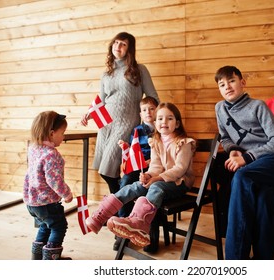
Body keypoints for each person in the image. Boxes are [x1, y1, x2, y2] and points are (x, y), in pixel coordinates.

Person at [86, 102, 196, 249]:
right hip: (161, 180)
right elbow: (156, 165)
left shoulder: (184, 143)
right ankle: (102, 215)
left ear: (177, 124)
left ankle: (140, 223)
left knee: (156, 187)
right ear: (155, 122)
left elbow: (179, 169)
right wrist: (149, 175)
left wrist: (156, 178)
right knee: (135, 186)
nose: (164, 122)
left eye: (169, 118)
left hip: (179, 183)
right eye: (160, 118)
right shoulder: (156, 142)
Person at [214, 66, 274, 260]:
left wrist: (247, 157)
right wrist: (233, 150)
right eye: (222, 84)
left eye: (232, 81)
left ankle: (235, 260)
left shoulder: (257, 106)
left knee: (242, 176)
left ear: (242, 83)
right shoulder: (220, 108)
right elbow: (224, 137)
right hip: (251, 165)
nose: (227, 87)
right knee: (264, 200)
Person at [81, 32, 159, 195]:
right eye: (116, 42)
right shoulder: (106, 73)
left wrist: (149, 117)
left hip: (126, 123)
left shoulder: (139, 70)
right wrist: (89, 113)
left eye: (123, 44)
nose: (118, 46)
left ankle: (119, 205)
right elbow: (101, 100)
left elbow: (153, 97)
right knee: (104, 169)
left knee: (107, 169)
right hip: (105, 124)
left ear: (129, 49)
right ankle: (122, 203)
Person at [23, 111, 73, 260]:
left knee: (45, 225)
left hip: (32, 201)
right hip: (47, 202)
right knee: (58, 225)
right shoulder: (52, 154)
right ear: (51, 134)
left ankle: (37, 255)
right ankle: (51, 258)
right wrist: (67, 194)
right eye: (62, 133)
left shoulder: (33, 148)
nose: (64, 137)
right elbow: (54, 181)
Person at [114, 96, 160, 252]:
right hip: (139, 165)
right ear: (140, 114)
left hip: (156, 168)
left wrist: (149, 163)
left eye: (152, 109)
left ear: (157, 110)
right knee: (125, 181)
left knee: (150, 192)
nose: (148, 112)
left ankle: (150, 237)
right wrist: (126, 153)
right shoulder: (137, 130)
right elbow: (133, 152)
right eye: (144, 110)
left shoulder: (162, 128)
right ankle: (122, 231)